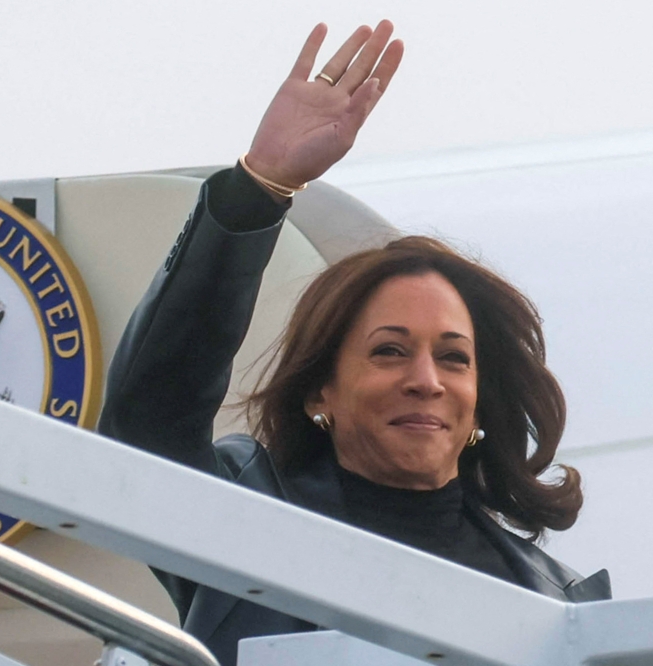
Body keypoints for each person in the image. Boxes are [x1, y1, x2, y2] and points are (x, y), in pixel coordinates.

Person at [98, 20, 611, 666]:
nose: (426, 378)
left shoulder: (560, 607)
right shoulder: (246, 528)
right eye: (390, 351)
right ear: (321, 391)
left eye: (453, 357)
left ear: (479, 404)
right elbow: (149, 419)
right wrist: (259, 188)